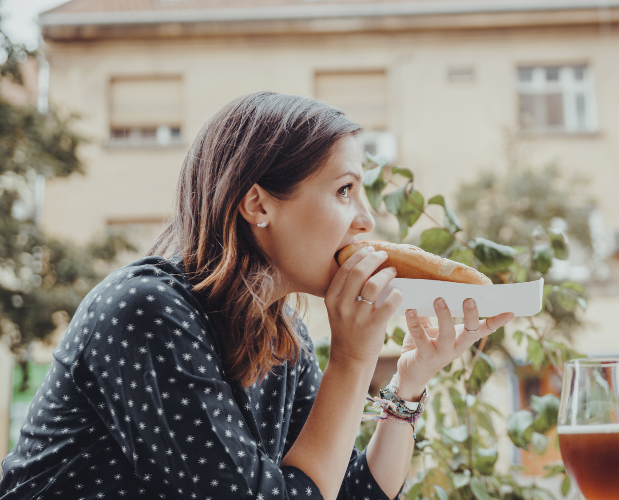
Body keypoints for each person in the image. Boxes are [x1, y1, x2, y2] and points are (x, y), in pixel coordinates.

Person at [0, 92, 514, 500]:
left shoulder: (280, 334)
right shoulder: (144, 311)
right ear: (257, 204)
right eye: (344, 190)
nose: (368, 219)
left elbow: (347, 490)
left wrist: (408, 384)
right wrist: (353, 359)